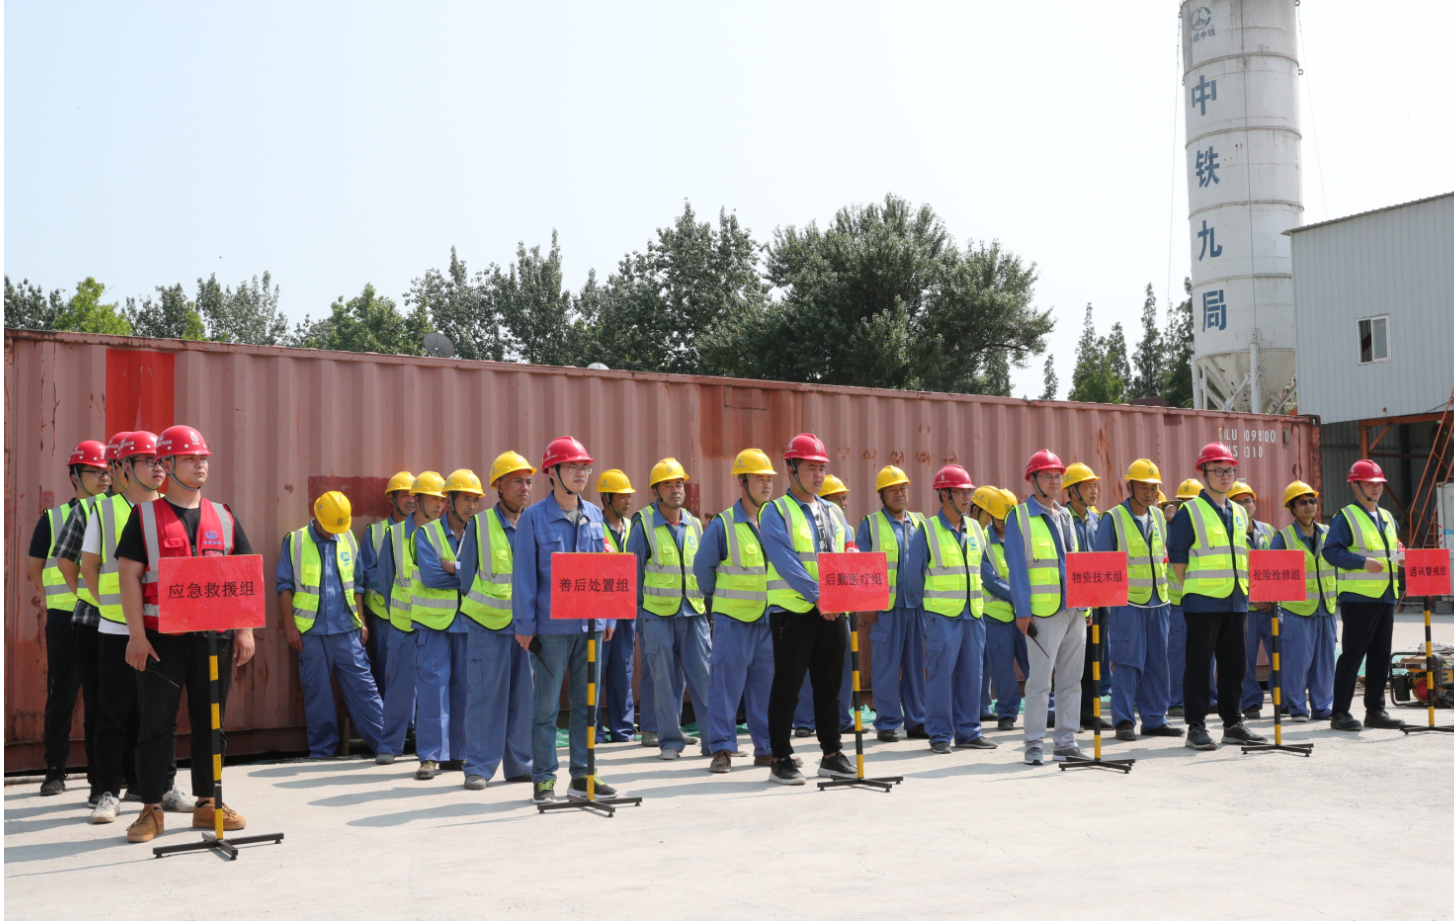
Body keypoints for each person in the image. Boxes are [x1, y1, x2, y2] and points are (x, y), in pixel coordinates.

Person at [116, 425, 257, 844]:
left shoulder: (224, 516)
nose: (200, 465)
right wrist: (136, 636)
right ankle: (151, 808)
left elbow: (244, 575)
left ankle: (208, 803)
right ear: (167, 464)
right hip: (161, 640)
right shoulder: (144, 518)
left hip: (215, 638)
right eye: (190, 458)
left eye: (203, 458)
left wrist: (245, 630)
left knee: (210, 721)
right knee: (156, 723)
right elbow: (129, 576)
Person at [82, 432, 191, 824]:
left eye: (161, 461)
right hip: (117, 630)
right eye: (148, 461)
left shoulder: (170, 509)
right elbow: (88, 566)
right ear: (125, 467)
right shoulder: (104, 510)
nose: (158, 468)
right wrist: (111, 609)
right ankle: (108, 791)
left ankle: (163, 785)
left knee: (161, 715)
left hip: (161, 631)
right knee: (113, 713)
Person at [514, 436, 625, 804]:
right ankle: (544, 779)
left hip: (590, 627)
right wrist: (525, 626)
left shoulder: (594, 515)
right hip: (550, 630)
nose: (581, 473)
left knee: (587, 706)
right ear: (552, 472)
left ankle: (583, 776)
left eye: (584, 467)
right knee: (546, 709)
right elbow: (524, 576)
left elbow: (604, 567)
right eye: (572, 467)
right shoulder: (533, 518)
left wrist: (608, 615)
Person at [759, 432, 856, 785]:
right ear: (791, 468)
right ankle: (780, 758)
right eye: (811, 468)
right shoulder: (775, 511)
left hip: (833, 612)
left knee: (830, 688)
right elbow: (785, 560)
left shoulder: (834, 512)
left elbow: (849, 549)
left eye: (821, 468)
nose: (818, 475)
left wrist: (854, 573)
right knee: (787, 687)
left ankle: (831, 755)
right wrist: (819, 596)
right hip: (793, 613)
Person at [1166, 442, 1266, 751]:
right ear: (1203, 473)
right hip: (1203, 601)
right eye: (1218, 471)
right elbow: (1178, 559)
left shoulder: (1238, 512)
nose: (1225, 476)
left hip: (1236, 600)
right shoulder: (1190, 511)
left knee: (1234, 666)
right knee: (1199, 666)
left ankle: (1232, 724)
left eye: (1230, 471)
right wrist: (1197, 588)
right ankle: (1196, 726)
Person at [26, 439, 108, 797]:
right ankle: (55, 770)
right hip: (65, 620)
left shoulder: (118, 513)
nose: (104, 478)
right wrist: (57, 596)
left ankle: (101, 775)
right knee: (61, 696)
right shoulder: (54, 519)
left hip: (106, 619)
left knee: (103, 701)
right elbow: (34, 568)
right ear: (75, 475)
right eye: (95, 471)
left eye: (107, 471)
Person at [277, 491, 384, 759]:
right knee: (317, 694)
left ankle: (385, 745)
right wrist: (290, 627)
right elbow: (284, 586)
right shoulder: (295, 541)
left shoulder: (347, 538)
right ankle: (322, 751)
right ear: (317, 516)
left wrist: (361, 619)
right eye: (329, 527)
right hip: (310, 633)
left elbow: (357, 584)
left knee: (364, 689)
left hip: (347, 629)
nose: (333, 532)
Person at [902, 465, 998, 754]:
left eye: (969, 492)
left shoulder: (977, 530)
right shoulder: (927, 531)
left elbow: (984, 571)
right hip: (942, 617)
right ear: (944, 494)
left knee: (972, 675)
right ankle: (940, 735)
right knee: (940, 676)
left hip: (974, 616)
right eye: (961, 492)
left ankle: (969, 731)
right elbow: (913, 579)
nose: (968, 498)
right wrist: (931, 608)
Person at [695, 449, 778, 773]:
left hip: (768, 621)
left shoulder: (775, 522)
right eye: (759, 479)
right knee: (724, 689)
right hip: (732, 622)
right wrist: (719, 602)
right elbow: (703, 569)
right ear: (742, 482)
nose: (767, 485)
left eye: (769, 479)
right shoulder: (723, 524)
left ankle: (766, 749)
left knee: (765, 689)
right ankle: (722, 750)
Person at [458, 452, 536, 790]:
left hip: (526, 630)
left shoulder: (535, 523)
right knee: (485, 698)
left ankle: (520, 765)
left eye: (528, 481)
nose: (525, 487)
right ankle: (478, 767)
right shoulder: (479, 525)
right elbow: (466, 579)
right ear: (499, 486)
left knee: (524, 698)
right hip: (487, 628)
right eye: (517, 481)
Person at [1005, 450, 1086, 765]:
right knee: (1040, 681)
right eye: (1047, 476)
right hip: (1041, 614)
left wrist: (1085, 607)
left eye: (1058, 476)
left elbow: (1075, 562)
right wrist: (1022, 611)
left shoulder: (1065, 516)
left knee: (1071, 679)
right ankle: (1034, 744)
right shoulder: (1019, 517)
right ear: (1033, 480)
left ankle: (1066, 741)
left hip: (1073, 610)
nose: (1055, 481)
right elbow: (1016, 568)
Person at [629, 458, 712, 761]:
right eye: (668, 485)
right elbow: (634, 576)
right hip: (657, 617)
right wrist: (642, 618)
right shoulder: (643, 525)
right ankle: (671, 743)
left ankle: (714, 742)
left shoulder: (694, 524)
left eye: (679, 484)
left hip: (693, 614)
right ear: (656, 491)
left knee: (704, 678)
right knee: (664, 682)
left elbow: (702, 569)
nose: (676, 489)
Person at [1093, 460, 1183, 741]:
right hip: (1127, 605)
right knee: (1127, 662)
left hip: (1159, 602)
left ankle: (1155, 719)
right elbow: (1101, 564)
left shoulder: (1158, 517)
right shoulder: (1113, 518)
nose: (1149, 493)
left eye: (1153, 488)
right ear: (1129, 486)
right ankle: (1123, 721)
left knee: (1158, 663)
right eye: (1143, 487)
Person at [1322, 459, 1407, 732]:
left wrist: (1402, 555)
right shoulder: (1345, 517)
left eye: (1379, 483)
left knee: (1381, 655)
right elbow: (1330, 551)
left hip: (1386, 595)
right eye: (1370, 483)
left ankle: (1375, 711)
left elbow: (1393, 546)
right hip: (1358, 597)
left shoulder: (1387, 518)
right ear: (1355, 486)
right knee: (1353, 656)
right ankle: (1340, 713)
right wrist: (1362, 562)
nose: (1376, 488)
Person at [410, 469, 483, 779]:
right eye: (466, 499)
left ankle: (457, 754)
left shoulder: (481, 533)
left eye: (476, 500)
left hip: (468, 624)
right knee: (431, 691)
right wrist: (467, 574)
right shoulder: (426, 534)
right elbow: (431, 577)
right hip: (433, 626)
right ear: (449, 500)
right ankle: (429, 757)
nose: (472, 506)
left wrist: (453, 567)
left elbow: (485, 576)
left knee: (465, 691)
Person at [374, 471, 446, 764]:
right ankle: (389, 746)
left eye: (442, 500)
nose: (439, 505)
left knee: (435, 690)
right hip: (403, 625)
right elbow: (386, 580)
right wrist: (397, 616)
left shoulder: (445, 535)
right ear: (417, 500)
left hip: (437, 625)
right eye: (433, 499)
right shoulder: (393, 536)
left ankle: (436, 750)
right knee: (398, 688)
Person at [855, 465, 928, 742]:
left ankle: (917, 721)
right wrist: (868, 605)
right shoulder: (871, 524)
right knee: (885, 666)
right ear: (882, 495)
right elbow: (862, 567)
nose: (899, 493)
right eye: (892, 489)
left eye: (903, 488)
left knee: (915, 666)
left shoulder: (920, 522)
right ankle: (887, 722)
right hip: (885, 609)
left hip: (917, 607)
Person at [790, 476, 855, 738]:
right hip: (809, 605)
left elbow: (851, 557)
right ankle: (805, 721)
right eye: (837, 499)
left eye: (844, 498)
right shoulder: (802, 526)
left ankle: (842, 719)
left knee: (842, 666)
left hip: (840, 607)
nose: (843, 504)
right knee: (807, 667)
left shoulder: (844, 527)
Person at [1271, 481, 1337, 723]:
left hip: (1326, 608)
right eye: (1302, 502)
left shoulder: (1329, 534)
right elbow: (1272, 575)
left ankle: (1322, 707)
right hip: (1296, 611)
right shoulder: (1283, 539)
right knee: (1296, 663)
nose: (1309, 505)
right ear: (1292, 508)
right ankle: (1297, 708)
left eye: (1312, 501)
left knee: (1325, 663)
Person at [974, 487, 1028, 731]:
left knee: (1034, 664)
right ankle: (1007, 713)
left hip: (1026, 614)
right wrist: (1019, 596)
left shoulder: (1024, 537)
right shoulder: (982, 540)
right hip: (997, 617)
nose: (1005, 524)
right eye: (1000, 519)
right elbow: (989, 579)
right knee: (1002, 668)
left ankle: (1048, 710)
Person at [359, 472, 415, 695]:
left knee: (419, 671)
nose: (411, 500)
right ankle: (388, 715)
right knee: (387, 670)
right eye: (405, 495)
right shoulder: (376, 532)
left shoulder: (428, 530)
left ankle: (415, 717)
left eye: (414, 495)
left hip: (421, 615)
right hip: (386, 617)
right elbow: (367, 572)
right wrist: (400, 589)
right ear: (391, 498)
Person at [1063, 462, 1109, 732]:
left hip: (1099, 597)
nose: (1094, 491)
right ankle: (1072, 715)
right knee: (1072, 660)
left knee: (1096, 657)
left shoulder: (1098, 520)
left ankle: (1091, 712)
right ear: (1072, 490)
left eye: (1095, 486)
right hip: (1074, 600)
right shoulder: (1062, 519)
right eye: (1088, 486)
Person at [595, 469, 639, 744]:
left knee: (623, 670)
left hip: (626, 610)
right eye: (621, 496)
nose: (627, 501)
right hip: (599, 610)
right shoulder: (593, 528)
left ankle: (623, 730)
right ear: (606, 498)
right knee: (595, 671)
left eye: (628, 496)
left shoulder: (633, 527)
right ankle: (594, 732)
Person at [1230, 481, 1278, 719]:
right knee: (1245, 660)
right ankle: (1250, 703)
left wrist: (1273, 597)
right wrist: (1254, 598)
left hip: (1271, 607)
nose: (1244, 505)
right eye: (1238, 502)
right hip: (1246, 608)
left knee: (1279, 655)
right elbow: (1231, 572)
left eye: (1247, 500)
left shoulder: (1268, 531)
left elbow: (1279, 566)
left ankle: (1282, 699)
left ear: (1255, 504)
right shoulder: (1229, 533)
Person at [1165, 477, 1211, 718]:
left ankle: (1210, 698)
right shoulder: (1168, 528)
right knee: (1176, 655)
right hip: (1176, 603)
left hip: (1203, 599)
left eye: (1190, 502)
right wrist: (1171, 525)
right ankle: (1176, 700)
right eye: (1181, 503)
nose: (1185, 508)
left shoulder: (1207, 527)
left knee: (1206, 653)